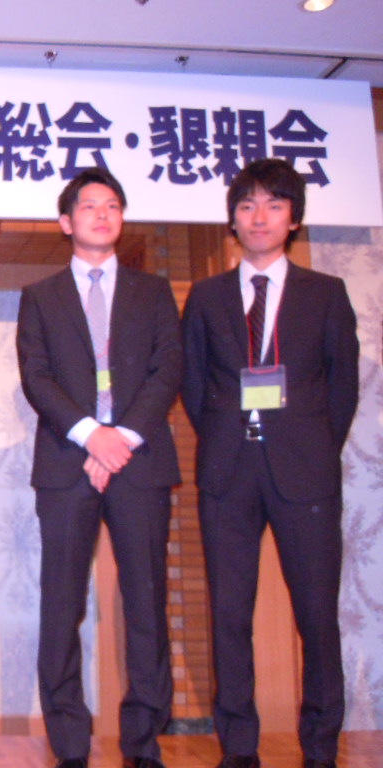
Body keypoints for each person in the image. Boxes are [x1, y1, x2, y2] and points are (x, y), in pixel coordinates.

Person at [182, 159, 359, 768]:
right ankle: (238, 748)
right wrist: (230, 438)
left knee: (317, 615)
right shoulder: (206, 297)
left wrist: (309, 446)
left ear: (294, 219)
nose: (259, 217)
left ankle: (320, 748)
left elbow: (342, 389)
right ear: (232, 220)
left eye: (274, 205)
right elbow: (194, 384)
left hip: (304, 473)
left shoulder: (325, 294)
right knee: (229, 615)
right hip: (228, 472)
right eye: (247, 205)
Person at [16, 168, 181, 768]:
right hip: (67, 462)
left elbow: (169, 369)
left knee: (146, 602)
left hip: (139, 461)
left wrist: (121, 440)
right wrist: (91, 435)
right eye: (89, 206)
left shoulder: (153, 292)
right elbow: (37, 377)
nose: (102, 214)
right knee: (62, 606)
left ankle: (143, 743)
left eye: (112, 205)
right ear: (66, 222)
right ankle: (69, 744)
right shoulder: (40, 296)